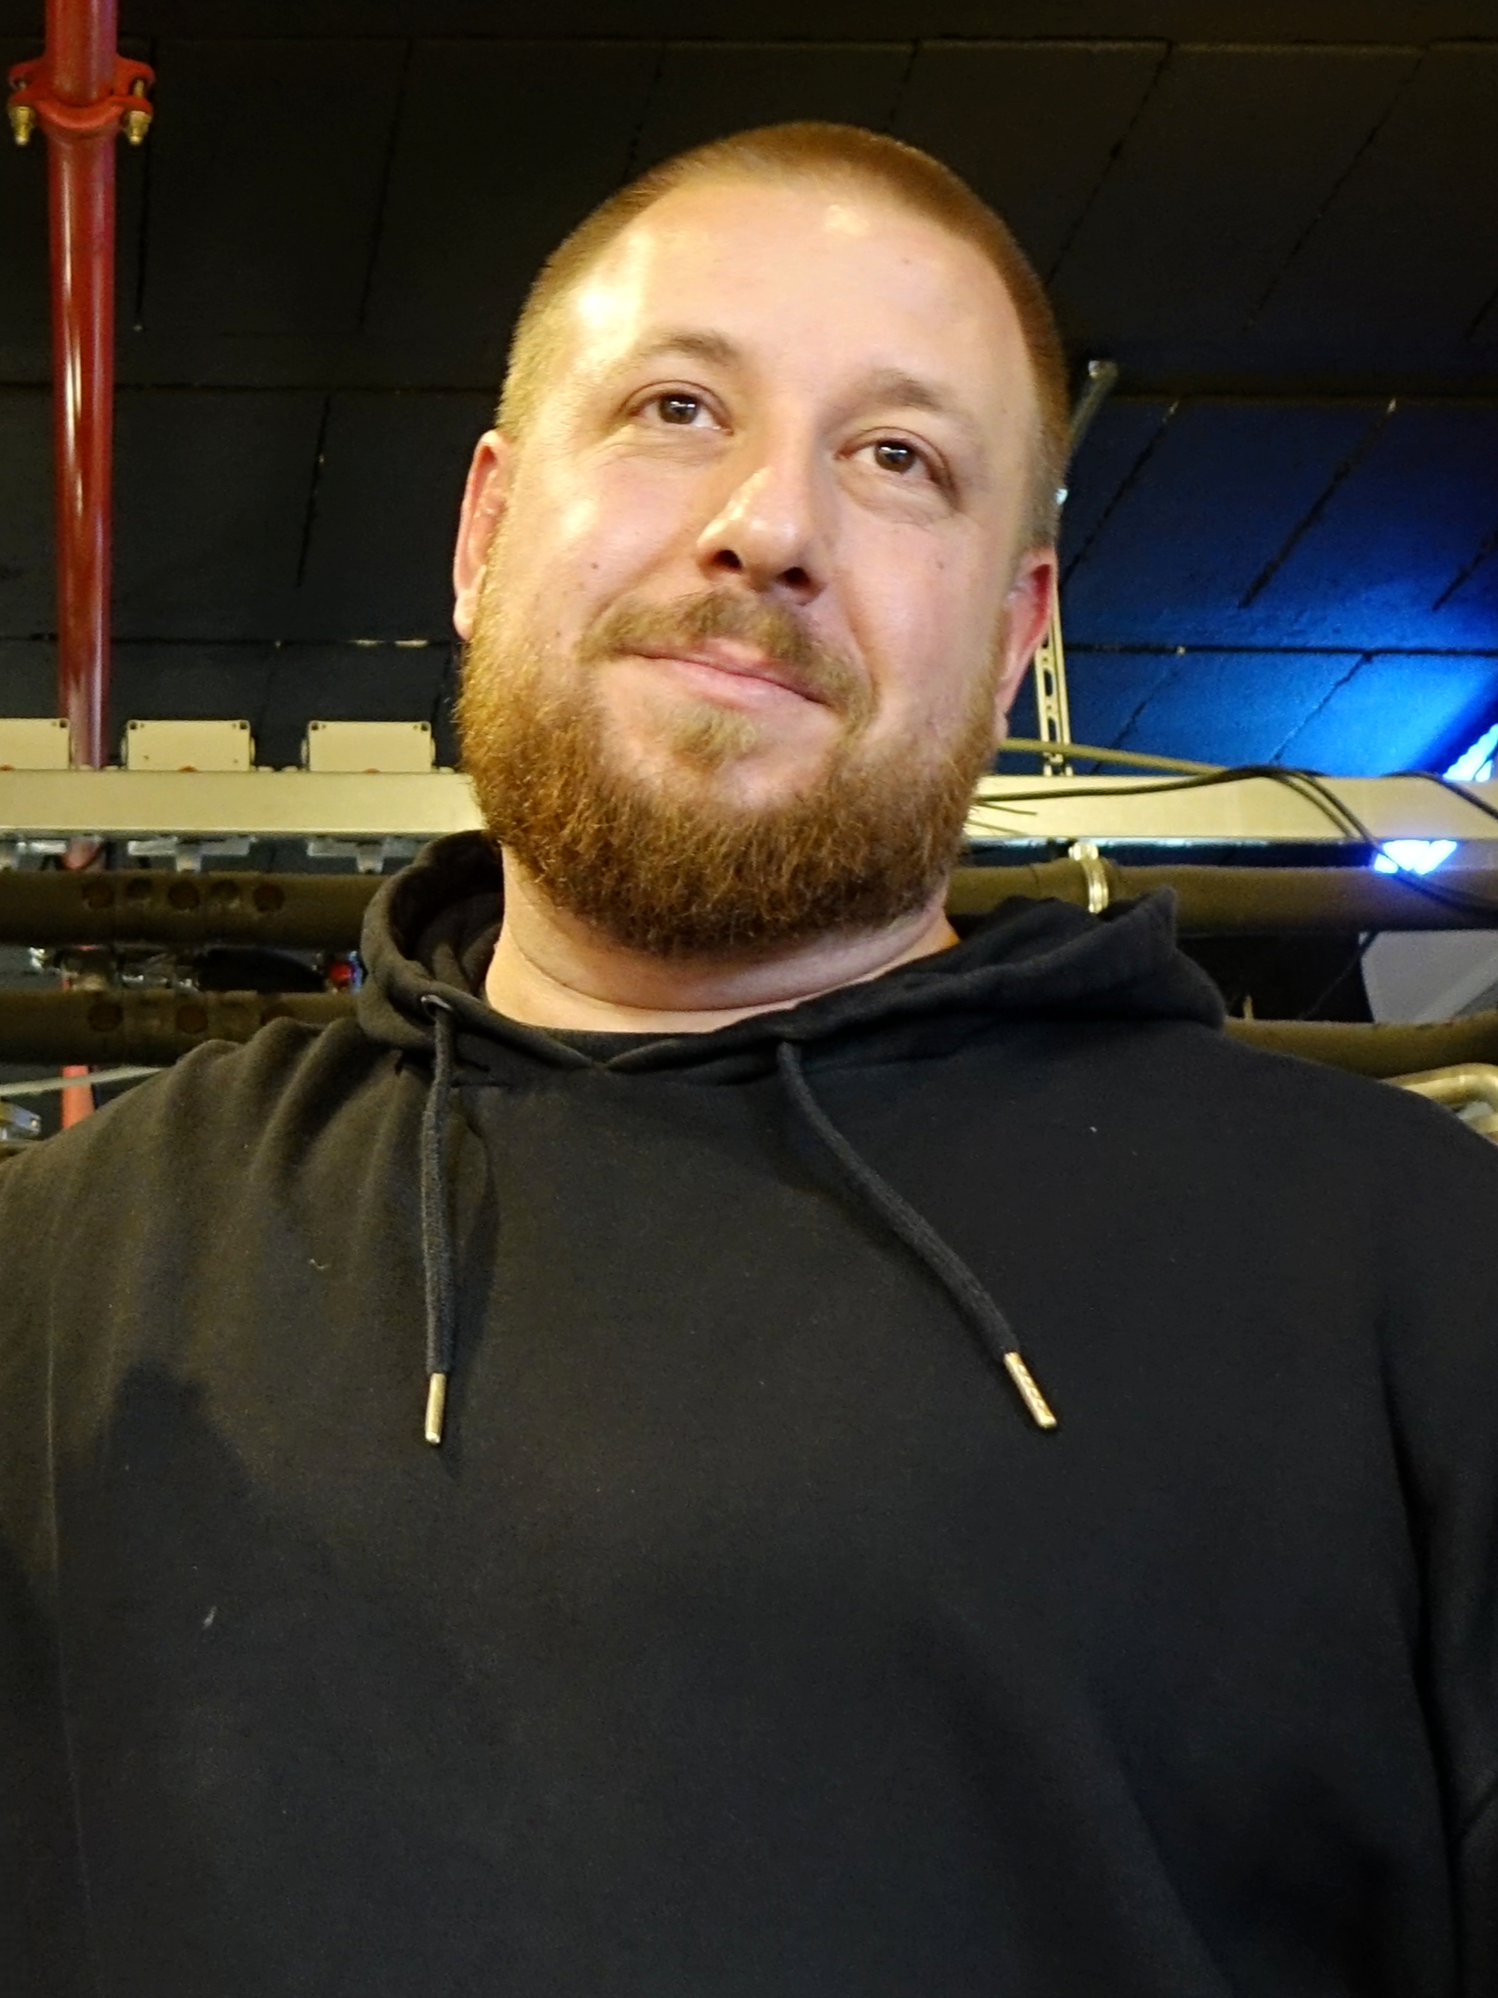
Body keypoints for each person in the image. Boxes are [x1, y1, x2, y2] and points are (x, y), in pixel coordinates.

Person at [1, 120, 1495, 1998]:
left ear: (1014, 633)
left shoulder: (1410, 1273)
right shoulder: (66, 1278)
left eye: (897, 458)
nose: (770, 524)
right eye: (676, 408)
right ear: (482, 533)